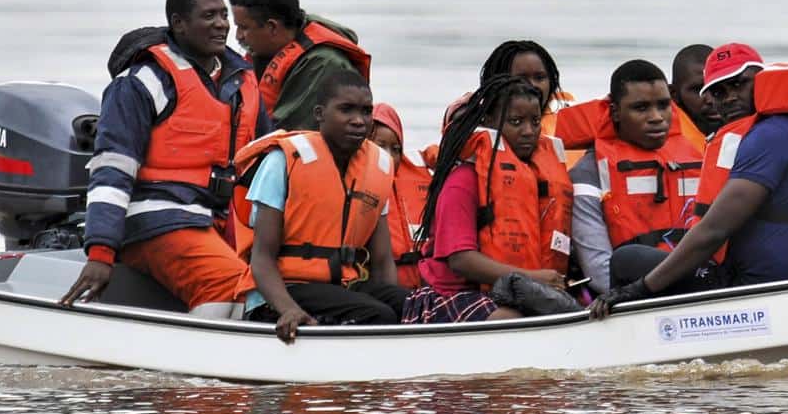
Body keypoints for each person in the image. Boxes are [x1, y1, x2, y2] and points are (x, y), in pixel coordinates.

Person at [63, 0, 305, 337]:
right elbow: (112, 169)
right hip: (153, 219)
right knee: (228, 282)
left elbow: (267, 163)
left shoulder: (241, 82)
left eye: (223, 15)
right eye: (208, 16)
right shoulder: (142, 82)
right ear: (178, 24)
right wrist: (101, 252)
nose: (221, 24)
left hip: (214, 221)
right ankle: (190, 367)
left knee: (271, 284)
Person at [592, 44, 788, 316]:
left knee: (626, 260)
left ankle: (619, 330)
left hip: (761, 286)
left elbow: (714, 231)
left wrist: (640, 288)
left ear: (763, 80)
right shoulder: (782, 128)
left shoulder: (768, 136)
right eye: (718, 92)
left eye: (739, 84)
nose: (729, 98)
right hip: (780, 276)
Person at [235, 70, 406, 327]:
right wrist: (289, 310)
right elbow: (262, 259)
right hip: (283, 291)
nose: (358, 121)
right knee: (378, 315)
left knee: (410, 304)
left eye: (366, 112)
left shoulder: (379, 168)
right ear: (319, 114)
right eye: (346, 110)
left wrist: (399, 320)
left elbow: (382, 262)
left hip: (342, 287)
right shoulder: (283, 161)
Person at [401, 75, 576, 324]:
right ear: (489, 122)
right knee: (513, 318)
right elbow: (460, 260)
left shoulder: (537, 179)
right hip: (452, 294)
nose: (529, 131)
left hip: (518, 289)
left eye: (535, 121)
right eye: (516, 122)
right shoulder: (462, 181)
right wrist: (533, 278)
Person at [554, 60, 703, 296]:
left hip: (703, 282)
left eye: (663, 105)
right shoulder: (588, 173)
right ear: (615, 112)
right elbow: (601, 273)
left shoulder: (702, 156)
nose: (657, 117)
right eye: (641, 108)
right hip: (634, 294)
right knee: (626, 259)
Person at [228, 0, 370, 130]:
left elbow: (290, 133)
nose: (238, 36)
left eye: (244, 27)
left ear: (272, 27)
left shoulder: (323, 64)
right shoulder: (265, 54)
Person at [369, 102, 433, 290]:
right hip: (383, 288)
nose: (388, 156)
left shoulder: (420, 168)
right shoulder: (354, 184)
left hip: (425, 284)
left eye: (396, 149)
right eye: (380, 146)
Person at [670, 43, 717, 151]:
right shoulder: (658, 141)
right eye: (698, 89)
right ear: (674, 94)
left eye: (716, 88)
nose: (711, 100)